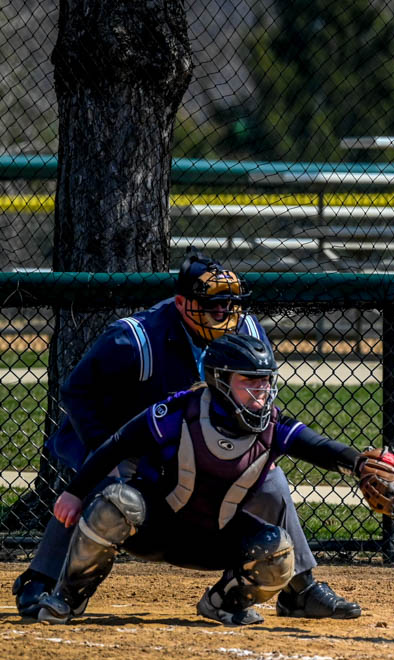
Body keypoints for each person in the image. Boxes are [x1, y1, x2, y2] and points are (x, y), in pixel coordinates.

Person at [13, 254, 360, 620]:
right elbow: (78, 393)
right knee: (100, 483)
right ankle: (43, 579)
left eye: (231, 302)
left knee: (272, 480)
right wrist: (106, 450)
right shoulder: (136, 338)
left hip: (201, 437)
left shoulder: (249, 332)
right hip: (134, 435)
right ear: (182, 304)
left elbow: (258, 403)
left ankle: (300, 590)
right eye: (213, 303)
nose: (225, 311)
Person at [35, 333, 394, 626]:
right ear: (219, 379)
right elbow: (116, 446)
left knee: (277, 550)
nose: (261, 392)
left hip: (213, 540)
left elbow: (320, 447)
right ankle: (68, 597)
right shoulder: (179, 410)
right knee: (116, 502)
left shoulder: (273, 425)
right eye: (249, 381)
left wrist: (359, 464)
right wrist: (74, 491)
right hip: (153, 528)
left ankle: (222, 603)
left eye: (266, 382)